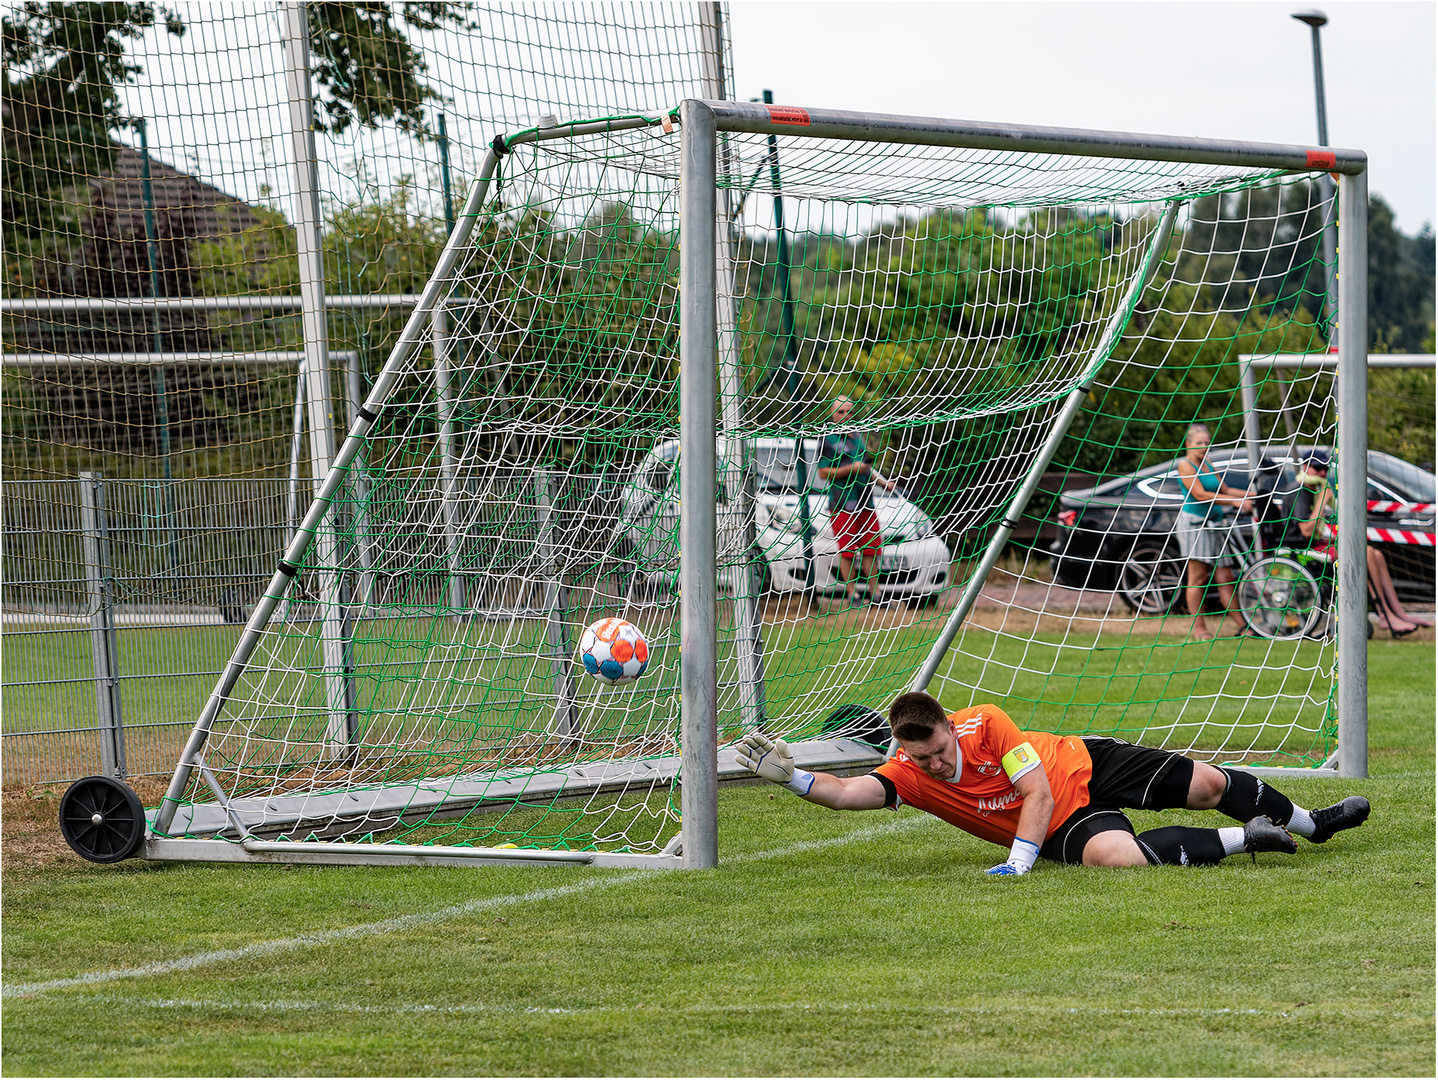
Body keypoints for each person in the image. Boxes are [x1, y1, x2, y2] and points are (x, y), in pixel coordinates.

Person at [736, 690, 1370, 875]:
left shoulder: (986, 724)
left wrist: (1019, 863)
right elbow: (850, 794)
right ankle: (1248, 840)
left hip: (1078, 766)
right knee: (1115, 857)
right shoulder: (908, 771)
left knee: (1205, 782)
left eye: (932, 753)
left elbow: (1035, 793)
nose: (927, 766)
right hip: (1065, 822)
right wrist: (792, 777)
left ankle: (1313, 825)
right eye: (915, 758)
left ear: (948, 731)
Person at [1288, 452, 1431, 636]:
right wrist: (1323, 500)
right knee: (1363, 553)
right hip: (1300, 547)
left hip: (1316, 543)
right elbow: (1307, 530)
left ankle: (1398, 611)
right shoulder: (1300, 492)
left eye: (1325, 469)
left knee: (1375, 554)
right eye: (1318, 468)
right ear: (1305, 467)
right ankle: (1384, 614)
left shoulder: (1314, 491)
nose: (1322, 473)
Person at [1175, 423, 1256, 640]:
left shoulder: (1208, 464)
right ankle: (1200, 630)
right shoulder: (1185, 465)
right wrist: (1234, 502)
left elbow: (1226, 490)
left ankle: (1242, 626)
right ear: (1188, 444)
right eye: (1199, 443)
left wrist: (1253, 495)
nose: (1204, 447)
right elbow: (1200, 495)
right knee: (1198, 578)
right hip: (1195, 524)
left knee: (1226, 577)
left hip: (1216, 522)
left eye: (1206, 443)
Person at [817, 396, 896, 606]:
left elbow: (865, 469)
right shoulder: (828, 439)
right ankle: (853, 595)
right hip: (843, 503)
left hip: (865, 502)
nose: (846, 416)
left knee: (871, 549)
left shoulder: (858, 437)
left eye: (849, 412)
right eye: (841, 412)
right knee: (848, 550)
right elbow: (823, 473)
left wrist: (882, 483)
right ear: (833, 414)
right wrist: (849, 469)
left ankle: (876, 594)